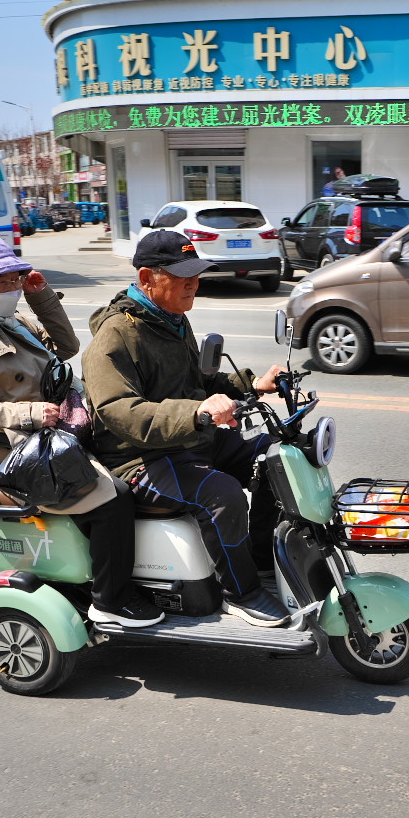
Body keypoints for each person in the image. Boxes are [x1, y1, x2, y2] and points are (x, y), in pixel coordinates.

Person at [0, 233, 162, 628]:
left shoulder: (16, 321)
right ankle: (111, 598)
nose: (12, 287)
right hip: (25, 456)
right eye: (2, 281)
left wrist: (42, 297)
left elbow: (66, 347)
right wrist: (29, 413)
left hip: (63, 435)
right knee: (116, 498)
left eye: (16, 278)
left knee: (147, 454)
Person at [82, 230, 292, 628]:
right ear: (147, 278)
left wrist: (253, 383)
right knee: (222, 495)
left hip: (189, 438)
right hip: (140, 457)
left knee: (276, 456)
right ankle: (241, 593)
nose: (193, 283)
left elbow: (198, 382)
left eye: (196, 274)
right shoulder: (115, 336)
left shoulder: (172, 320)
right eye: (182, 276)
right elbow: (119, 411)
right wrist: (197, 413)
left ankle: (261, 561)